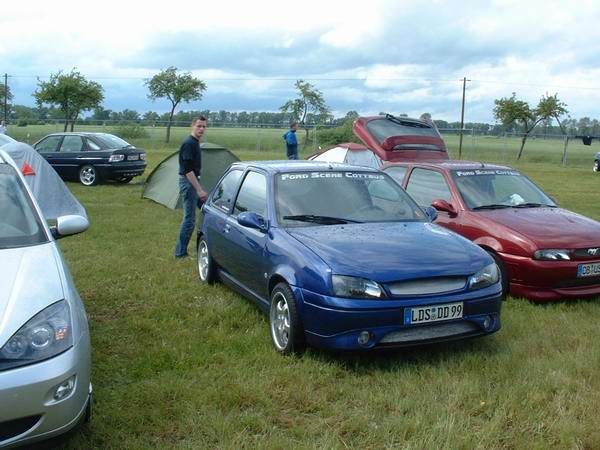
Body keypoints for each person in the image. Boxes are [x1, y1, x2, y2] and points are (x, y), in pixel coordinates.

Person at [175, 116, 209, 259]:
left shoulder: (195, 143)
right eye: (199, 126)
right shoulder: (189, 143)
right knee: (189, 219)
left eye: (204, 126)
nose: (201, 129)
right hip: (189, 183)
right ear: (192, 126)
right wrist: (199, 189)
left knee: (207, 209)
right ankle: (180, 253)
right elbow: (187, 170)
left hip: (193, 182)